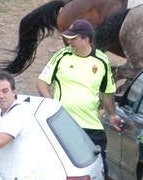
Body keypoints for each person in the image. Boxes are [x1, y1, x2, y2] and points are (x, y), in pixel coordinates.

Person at [37, 19, 122, 159]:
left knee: (99, 167)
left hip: (92, 126)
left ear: (86, 39)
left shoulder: (101, 60)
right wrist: (51, 104)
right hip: (65, 124)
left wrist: (112, 115)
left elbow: (107, 92)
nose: (69, 42)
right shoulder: (62, 55)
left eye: (73, 38)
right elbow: (42, 82)